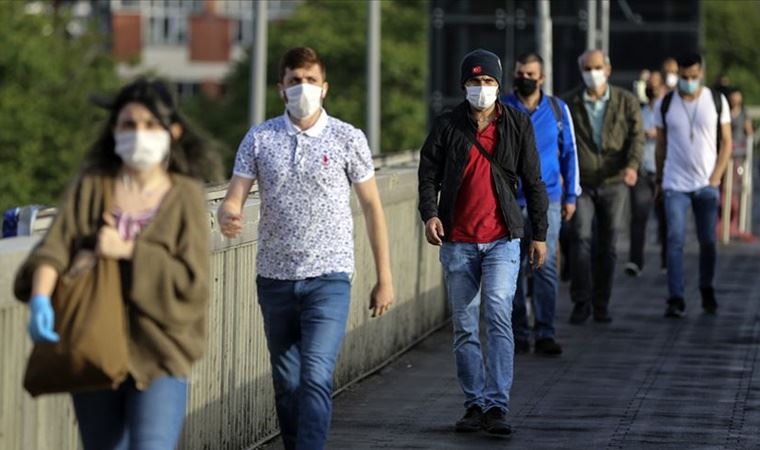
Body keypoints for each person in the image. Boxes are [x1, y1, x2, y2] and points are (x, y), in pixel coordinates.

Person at [17, 78, 218, 450]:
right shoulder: (93, 186)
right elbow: (54, 248)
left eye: (149, 125)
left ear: (172, 132)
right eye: (128, 125)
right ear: (114, 131)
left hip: (161, 350)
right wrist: (42, 299)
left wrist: (128, 251)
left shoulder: (185, 196)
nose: (138, 134)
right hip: (95, 341)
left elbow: (192, 282)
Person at [217, 47, 394, 450]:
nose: (303, 88)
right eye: (295, 81)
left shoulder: (348, 138)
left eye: (311, 81)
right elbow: (234, 197)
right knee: (288, 383)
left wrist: (384, 277)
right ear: (281, 88)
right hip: (275, 279)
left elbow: (372, 207)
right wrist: (228, 213)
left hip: (329, 277)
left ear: (325, 87)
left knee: (316, 374)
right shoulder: (260, 138)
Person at [418, 48, 548, 435]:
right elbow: (428, 175)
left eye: (488, 81)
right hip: (458, 240)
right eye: (474, 82)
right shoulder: (446, 125)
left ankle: (497, 405)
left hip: (502, 240)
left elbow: (534, 182)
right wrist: (430, 214)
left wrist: (539, 235)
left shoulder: (517, 125)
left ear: (499, 84)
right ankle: (473, 402)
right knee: (464, 326)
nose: (481, 88)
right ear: (464, 85)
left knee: (496, 313)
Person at [503, 52, 580, 356]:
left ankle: (545, 332)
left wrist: (571, 195)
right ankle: (519, 333)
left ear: (542, 78)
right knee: (513, 268)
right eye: (520, 72)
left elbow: (569, 152)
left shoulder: (557, 110)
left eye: (530, 74)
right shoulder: (503, 107)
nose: (525, 78)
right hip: (510, 199)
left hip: (547, 198)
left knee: (545, 266)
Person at [562, 49, 644, 324]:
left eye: (597, 67)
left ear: (608, 70)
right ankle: (581, 300)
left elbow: (637, 138)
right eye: (587, 68)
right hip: (581, 182)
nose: (592, 73)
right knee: (580, 239)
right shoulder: (569, 102)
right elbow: (560, 140)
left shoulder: (626, 101)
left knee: (608, 244)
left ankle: (601, 302)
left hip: (614, 181)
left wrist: (632, 166)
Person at [654, 53, 732, 317]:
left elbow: (727, 142)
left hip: (706, 184)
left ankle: (706, 287)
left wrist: (716, 177)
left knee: (707, 240)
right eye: (684, 77)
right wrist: (659, 178)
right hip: (675, 183)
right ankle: (675, 297)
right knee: (674, 239)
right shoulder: (666, 103)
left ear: (702, 73)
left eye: (693, 77)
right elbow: (661, 145)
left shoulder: (716, 101)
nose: (688, 82)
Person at [624, 74, 661, 277]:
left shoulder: (668, 110)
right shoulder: (640, 111)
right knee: (639, 215)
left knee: (665, 219)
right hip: (643, 171)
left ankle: (667, 260)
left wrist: (659, 134)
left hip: (665, 173)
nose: (651, 89)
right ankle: (635, 260)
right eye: (649, 86)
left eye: (655, 86)